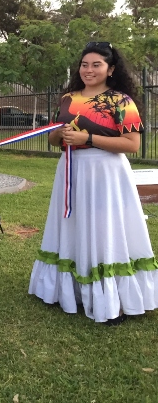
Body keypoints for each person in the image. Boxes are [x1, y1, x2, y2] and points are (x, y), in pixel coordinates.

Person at [29, 42, 158, 324]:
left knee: (104, 229)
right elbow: (53, 139)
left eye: (96, 65)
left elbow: (132, 144)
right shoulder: (68, 98)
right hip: (71, 169)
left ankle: (113, 299)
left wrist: (87, 138)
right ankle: (72, 290)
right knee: (74, 226)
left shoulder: (122, 102)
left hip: (106, 173)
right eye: (84, 64)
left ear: (110, 69)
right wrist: (60, 134)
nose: (89, 70)